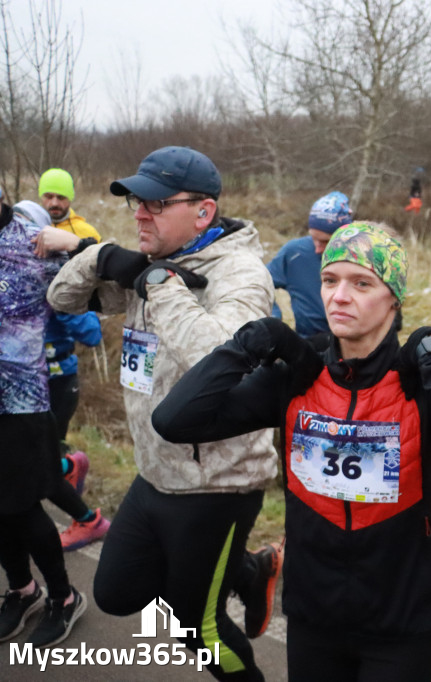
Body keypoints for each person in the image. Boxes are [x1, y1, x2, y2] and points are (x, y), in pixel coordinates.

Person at [151, 221, 431, 682]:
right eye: (329, 280)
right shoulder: (297, 376)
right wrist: (247, 344)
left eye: (362, 283)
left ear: (394, 299)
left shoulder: (416, 382)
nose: (340, 296)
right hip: (312, 616)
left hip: (400, 622)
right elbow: (174, 420)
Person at [46, 146, 281, 681]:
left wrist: (158, 284)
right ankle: (251, 567)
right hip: (155, 473)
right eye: (136, 202)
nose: (140, 213)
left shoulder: (241, 274)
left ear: (203, 212)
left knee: (197, 629)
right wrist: (98, 257)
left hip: (218, 485)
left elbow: (220, 360)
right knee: (115, 591)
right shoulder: (147, 261)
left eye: (155, 203)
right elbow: (60, 298)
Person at [0, 199, 87, 648]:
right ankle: (22, 589)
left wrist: (76, 245)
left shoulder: (33, 244)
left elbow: (100, 285)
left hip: (21, 404)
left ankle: (64, 596)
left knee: (20, 508)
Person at [13, 200, 110, 551]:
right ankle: (69, 465)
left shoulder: (52, 273)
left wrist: (59, 303)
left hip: (55, 384)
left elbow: (92, 333)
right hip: (23, 385)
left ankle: (90, 522)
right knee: (29, 463)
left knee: (32, 468)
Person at [267, 191, 352, 337]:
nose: (317, 249)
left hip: (352, 343)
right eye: (313, 238)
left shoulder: (363, 255)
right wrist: (273, 317)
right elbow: (258, 283)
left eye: (326, 241)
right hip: (308, 344)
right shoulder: (294, 253)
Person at [38, 168, 101, 242]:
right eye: (49, 197)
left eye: (61, 197)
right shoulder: (29, 228)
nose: (54, 203)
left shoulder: (88, 233)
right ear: (41, 197)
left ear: (70, 198)